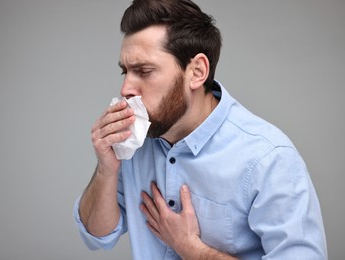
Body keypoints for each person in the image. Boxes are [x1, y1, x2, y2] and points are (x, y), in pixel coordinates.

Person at [74, 0, 327, 259]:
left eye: (144, 71)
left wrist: (192, 249)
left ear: (197, 72)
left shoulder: (268, 157)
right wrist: (106, 168)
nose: (126, 89)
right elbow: (97, 235)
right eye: (125, 72)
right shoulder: (134, 142)